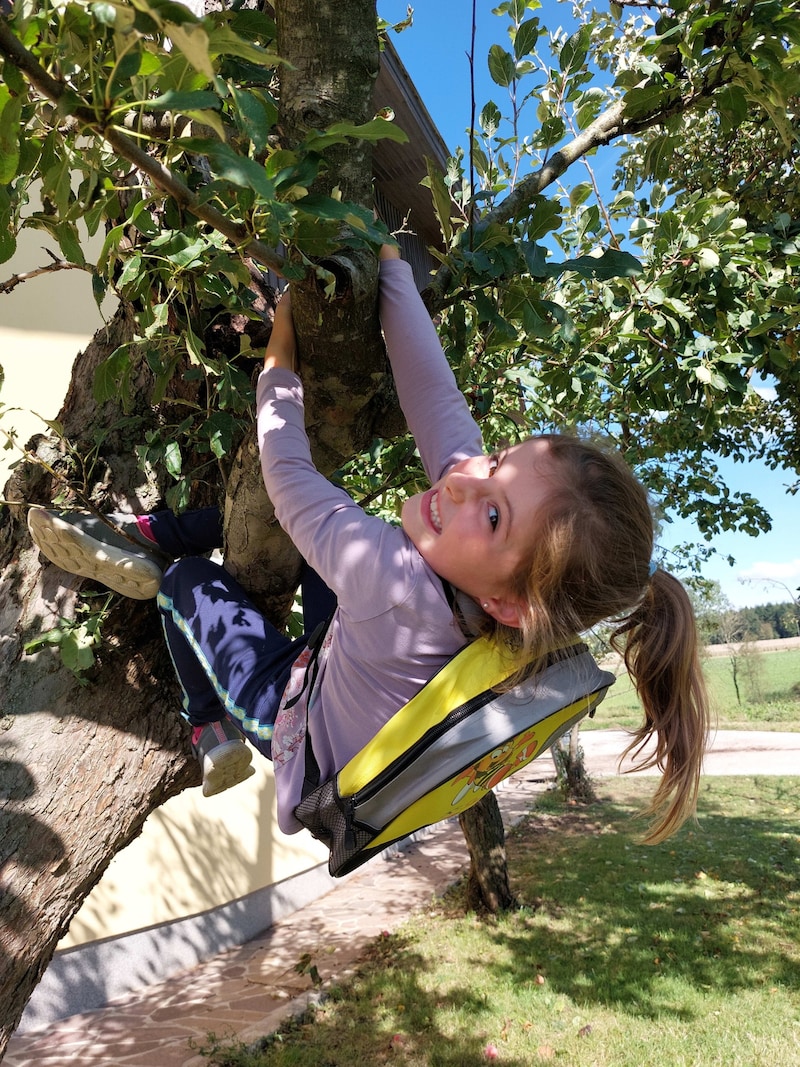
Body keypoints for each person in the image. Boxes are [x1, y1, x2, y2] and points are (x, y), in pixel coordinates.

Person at [27, 244, 710, 843]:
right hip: (354, 661)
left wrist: (281, 348)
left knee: (185, 583)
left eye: (497, 513)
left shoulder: (388, 579)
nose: (466, 479)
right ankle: (143, 531)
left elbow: (287, 471)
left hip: (299, 730)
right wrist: (392, 270)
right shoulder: (518, 587)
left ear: (508, 602)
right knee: (321, 525)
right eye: (497, 456)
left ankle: (208, 723)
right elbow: (436, 398)